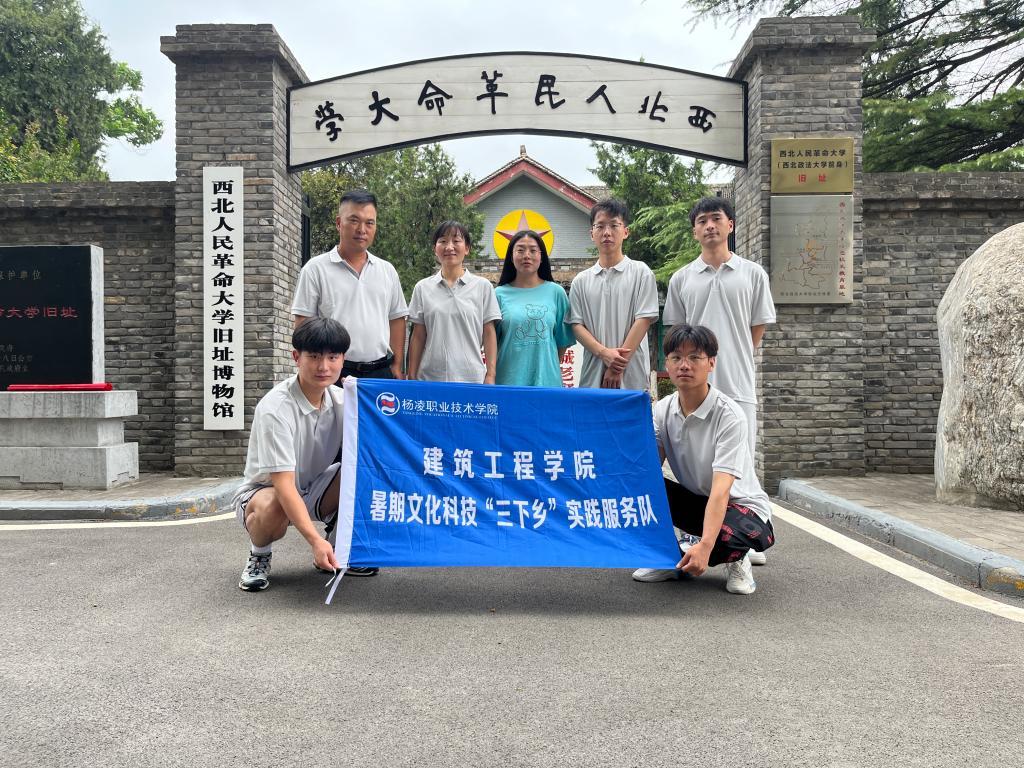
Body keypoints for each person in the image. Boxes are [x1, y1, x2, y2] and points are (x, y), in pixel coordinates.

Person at [663, 196, 776, 564]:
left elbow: (755, 329)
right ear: (694, 230)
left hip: (737, 386)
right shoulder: (682, 278)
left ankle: (739, 546)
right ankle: (693, 536)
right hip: (693, 391)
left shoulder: (753, 274)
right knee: (694, 467)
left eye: (716, 218)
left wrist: (730, 361)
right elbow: (678, 334)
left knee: (737, 471)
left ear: (730, 225)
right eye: (702, 221)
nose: (709, 225)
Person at [632, 324, 775, 594]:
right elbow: (649, 471)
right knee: (640, 488)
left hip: (742, 508)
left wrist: (706, 546)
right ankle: (671, 559)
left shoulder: (729, 416)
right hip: (698, 502)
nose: (684, 365)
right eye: (676, 357)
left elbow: (721, 490)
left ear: (711, 363)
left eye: (694, 357)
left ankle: (737, 558)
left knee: (724, 541)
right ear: (667, 363)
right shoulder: (662, 410)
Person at [235, 317, 354, 592]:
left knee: (362, 471)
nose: (324, 366)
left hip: (312, 487)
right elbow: (284, 486)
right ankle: (259, 555)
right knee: (274, 504)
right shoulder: (276, 408)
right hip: (264, 493)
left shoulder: (343, 400)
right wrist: (313, 540)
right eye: (314, 357)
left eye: (332, 357)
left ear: (343, 360)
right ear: (296, 357)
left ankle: (337, 547)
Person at [292, 189, 408, 381]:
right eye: (354, 220)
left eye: (369, 223)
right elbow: (303, 323)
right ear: (339, 223)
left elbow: (396, 319)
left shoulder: (387, 271)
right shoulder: (315, 269)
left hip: (379, 373)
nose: (362, 229)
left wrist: (396, 365)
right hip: (333, 372)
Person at [567, 199, 659, 391]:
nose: (607, 232)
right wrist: (604, 353)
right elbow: (576, 325)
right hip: (593, 377)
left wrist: (616, 367)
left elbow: (643, 320)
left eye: (614, 225)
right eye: (600, 226)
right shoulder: (581, 281)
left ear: (625, 231)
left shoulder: (641, 273)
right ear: (592, 233)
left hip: (632, 377)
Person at [406, 221, 501, 383]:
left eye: (456, 241)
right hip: (430, 378)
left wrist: (491, 375)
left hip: (472, 379)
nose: (449, 247)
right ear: (435, 248)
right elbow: (418, 335)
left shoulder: (482, 287)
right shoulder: (422, 288)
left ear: (467, 248)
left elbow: (489, 333)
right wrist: (412, 375)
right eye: (443, 241)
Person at [494, 230, 575, 387]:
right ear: (511, 256)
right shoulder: (498, 294)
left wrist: (546, 368)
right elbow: (492, 342)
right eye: (520, 250)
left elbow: (563, 341)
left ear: (541, 256)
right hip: (508, 382)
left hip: (547, 383)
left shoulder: (556, 293)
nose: (526, 255)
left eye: (533, 250)